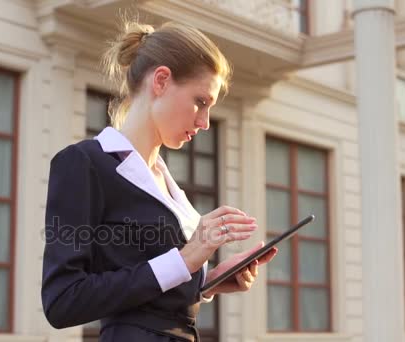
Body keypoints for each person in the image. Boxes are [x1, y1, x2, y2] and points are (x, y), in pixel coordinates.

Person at [41, 20, 278, 342]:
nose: (205, 122)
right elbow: (63, 301)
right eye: (201, 101)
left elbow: (152, 280)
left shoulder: (165, 180)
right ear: (162, 80)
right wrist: (186, 258)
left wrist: (207, 280)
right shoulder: (84, 163)